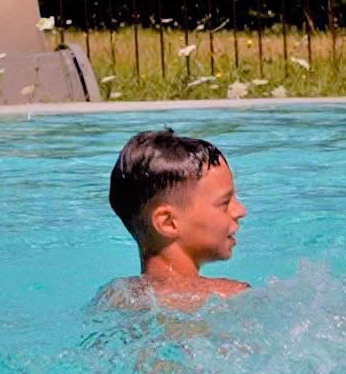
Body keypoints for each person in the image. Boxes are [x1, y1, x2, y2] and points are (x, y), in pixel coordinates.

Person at [103, 128, 249, 309]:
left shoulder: (116, 298)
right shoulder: (229, 296)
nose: (240, 211)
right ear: (168, 222)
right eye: (224, 203)